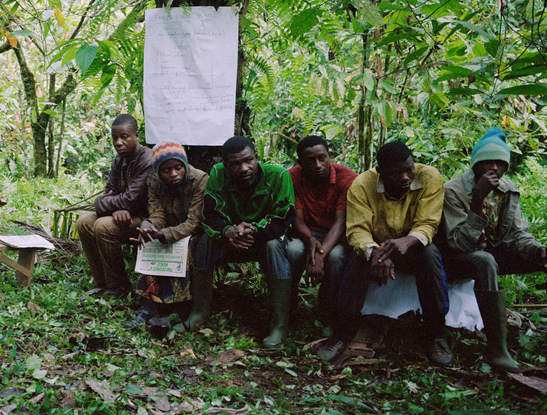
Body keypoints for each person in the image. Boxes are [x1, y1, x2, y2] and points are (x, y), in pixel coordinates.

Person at [440, 127, 547, 372]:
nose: (494, 168)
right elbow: (459, 244)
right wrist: (477, 200)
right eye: (487, 162)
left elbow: (515, 234)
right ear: (475, 164)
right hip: (461, 258)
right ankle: (498, 349)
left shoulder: (507, 189)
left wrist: (538, 251)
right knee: (484, 260)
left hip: (493, 253)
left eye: (500, 163)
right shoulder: (453, 191)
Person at [317, 141, 453, 365]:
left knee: (430, 254)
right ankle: (341, 334)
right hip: (376, 247)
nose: (406, 178)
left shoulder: (429, 177)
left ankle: (436, 334)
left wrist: (408, 241)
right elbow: (357, 229)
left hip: (413, 245)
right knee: (357, 259)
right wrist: (375, 253)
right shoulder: (362, 185)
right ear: (380, 172)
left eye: (409, 170)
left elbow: (428, 222)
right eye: (396, 173)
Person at [177, 136, 295, 349]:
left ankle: (279, 323)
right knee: (204, 241)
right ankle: (199, 312)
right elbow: (209, 215)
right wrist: (228, 231)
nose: (244, 168)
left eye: (248, 160)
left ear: (257, 157)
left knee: (273, 246)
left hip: (263, 239)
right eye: (235, 164)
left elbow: (282, 219)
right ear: (225, 164)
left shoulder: (279, 176)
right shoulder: (217, 174)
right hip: (231, 239)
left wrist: (253, 231)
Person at [128, 140, 208, 333]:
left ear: (185, 165)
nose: (173, 174)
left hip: (194, 234)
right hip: (168, 230)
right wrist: (149, 226)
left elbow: (194, 222)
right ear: (158, 172)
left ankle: (179, 310)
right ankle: (150, 307)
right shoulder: (154, 181)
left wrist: (165, 234)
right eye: (166, 170)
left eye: (178, 167)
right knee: (149, 241)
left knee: (185, 248)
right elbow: (157, 214)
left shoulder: (199, 180)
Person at [75, 114, 154, 297]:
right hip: (124, 214)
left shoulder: (147, 159)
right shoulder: (119, 160)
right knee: (84, 222)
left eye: (124, 137)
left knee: (104, 226)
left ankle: (119, 286)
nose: (118, 142)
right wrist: (106, 203)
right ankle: (102, 282)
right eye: (115, 138)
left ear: (136, 135)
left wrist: (107, 203)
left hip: (147, 219)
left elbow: (131, 200)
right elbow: (109, 193)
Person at [285, 136, 357, 326]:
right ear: (300, 162)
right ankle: (286, 309)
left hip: (336, 236)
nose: (318, 165)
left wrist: (320, 256)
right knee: (293, 250)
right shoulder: (292, 177)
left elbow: (341, 223)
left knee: (337, 257)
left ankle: (328, 312)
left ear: (329, 156)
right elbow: (296, 218)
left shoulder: (347, 178)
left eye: (322, 158)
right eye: (310, 160)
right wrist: (310, 241)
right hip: (306, 233)